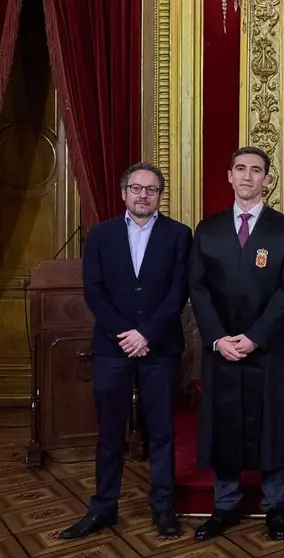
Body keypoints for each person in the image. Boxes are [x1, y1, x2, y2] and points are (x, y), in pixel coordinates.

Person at [62, 163, 192, 540]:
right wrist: (126, 333)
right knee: (109, 433)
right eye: (136, 188)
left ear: (159, 195)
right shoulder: (101, 236)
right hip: (112, 348)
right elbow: (93, 290)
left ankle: (163, 508)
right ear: (124, 193)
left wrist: (146, 333)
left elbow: (178, 292)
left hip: (161, 348)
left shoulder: (179, 235)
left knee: (163, 432)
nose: (143, 195)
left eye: (151, 190)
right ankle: (103, 507)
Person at [188, 146, 284, 542]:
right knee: (224, 425)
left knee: (272, 425)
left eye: (256, 170)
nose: (247, 176)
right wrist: (219, 338)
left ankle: (275, 506)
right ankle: (225, 505)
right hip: (221, 349)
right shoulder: (208, 229)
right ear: (229, 175)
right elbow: (198, 289)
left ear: (267, 180)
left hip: (268, 347)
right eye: (240, 168)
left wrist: (254, 337)